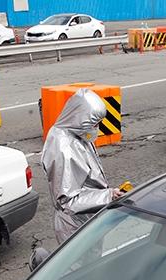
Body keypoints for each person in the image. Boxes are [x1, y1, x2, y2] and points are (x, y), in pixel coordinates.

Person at [42, 88, 122, 245]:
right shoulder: (64, 149)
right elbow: (67, 202)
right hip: (75, 225)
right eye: (95, 123)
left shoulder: (74, 133)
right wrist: (108, 196)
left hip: (86, 218)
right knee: (82, 267)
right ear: (81, 119)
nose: (97, 127)